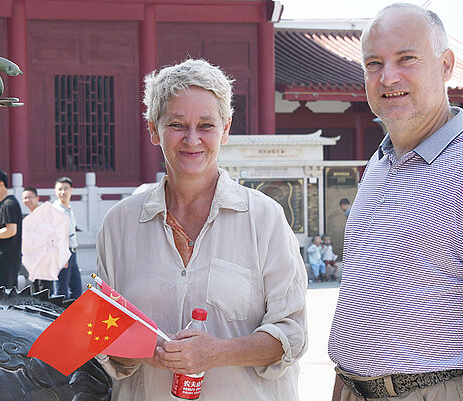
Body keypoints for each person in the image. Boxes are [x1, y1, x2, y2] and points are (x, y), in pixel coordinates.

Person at [329, 5, 463, 401]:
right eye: (374, 63)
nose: (388, 77)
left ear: (445, 65)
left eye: (406, 59)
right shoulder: (378, 164)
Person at [95, 59, 307, 400]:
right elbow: (104, 337)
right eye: (177, 124)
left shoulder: (264, 218)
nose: (192, 139)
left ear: (225, 129)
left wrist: (218, 352)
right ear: (153, 129)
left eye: (206, 125)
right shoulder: (119, 225)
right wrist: (153, 352)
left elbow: (291, 334)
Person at [51, 176, 81, 300]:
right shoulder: (56, 210)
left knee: (76, 290)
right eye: (60, 189)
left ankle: (75, 318)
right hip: (62, 253)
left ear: (71, 190)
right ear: (55, 191)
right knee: (61, 292)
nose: (63, 192)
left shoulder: (69, 209)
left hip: (72, 252)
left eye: (66, 189)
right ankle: (59, 318)